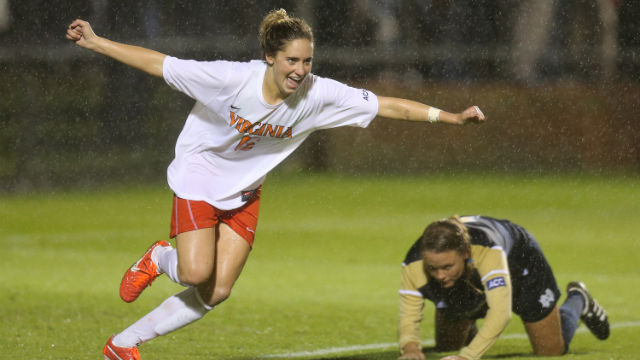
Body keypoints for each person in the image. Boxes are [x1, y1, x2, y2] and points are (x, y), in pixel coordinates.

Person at [66, 9, 485, 359]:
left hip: (245, 191)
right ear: (270, 56)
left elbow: (387, 104)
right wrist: (97, 42)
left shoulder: (318, 94)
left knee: (218, 291)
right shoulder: (228, 80)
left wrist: (450, 118)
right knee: (196, 272)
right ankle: (160, 259)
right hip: (199, 177)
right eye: (292, 61)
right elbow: (159, 64)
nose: (300, 71)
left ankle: (124, 345)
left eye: (307, 62)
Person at [398, 215, 610, 360]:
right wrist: (410, 348)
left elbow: (500, 312)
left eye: (446, 266)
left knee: (551, 351)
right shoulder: (414, 264)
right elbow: (409, 315)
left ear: (464, 253)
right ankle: (469, 314)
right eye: (432, 268)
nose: (440, 275)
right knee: (447, 348)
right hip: (470, 277)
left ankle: (578, 299)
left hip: (521, 265)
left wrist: (467, 356)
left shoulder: (488, 251)